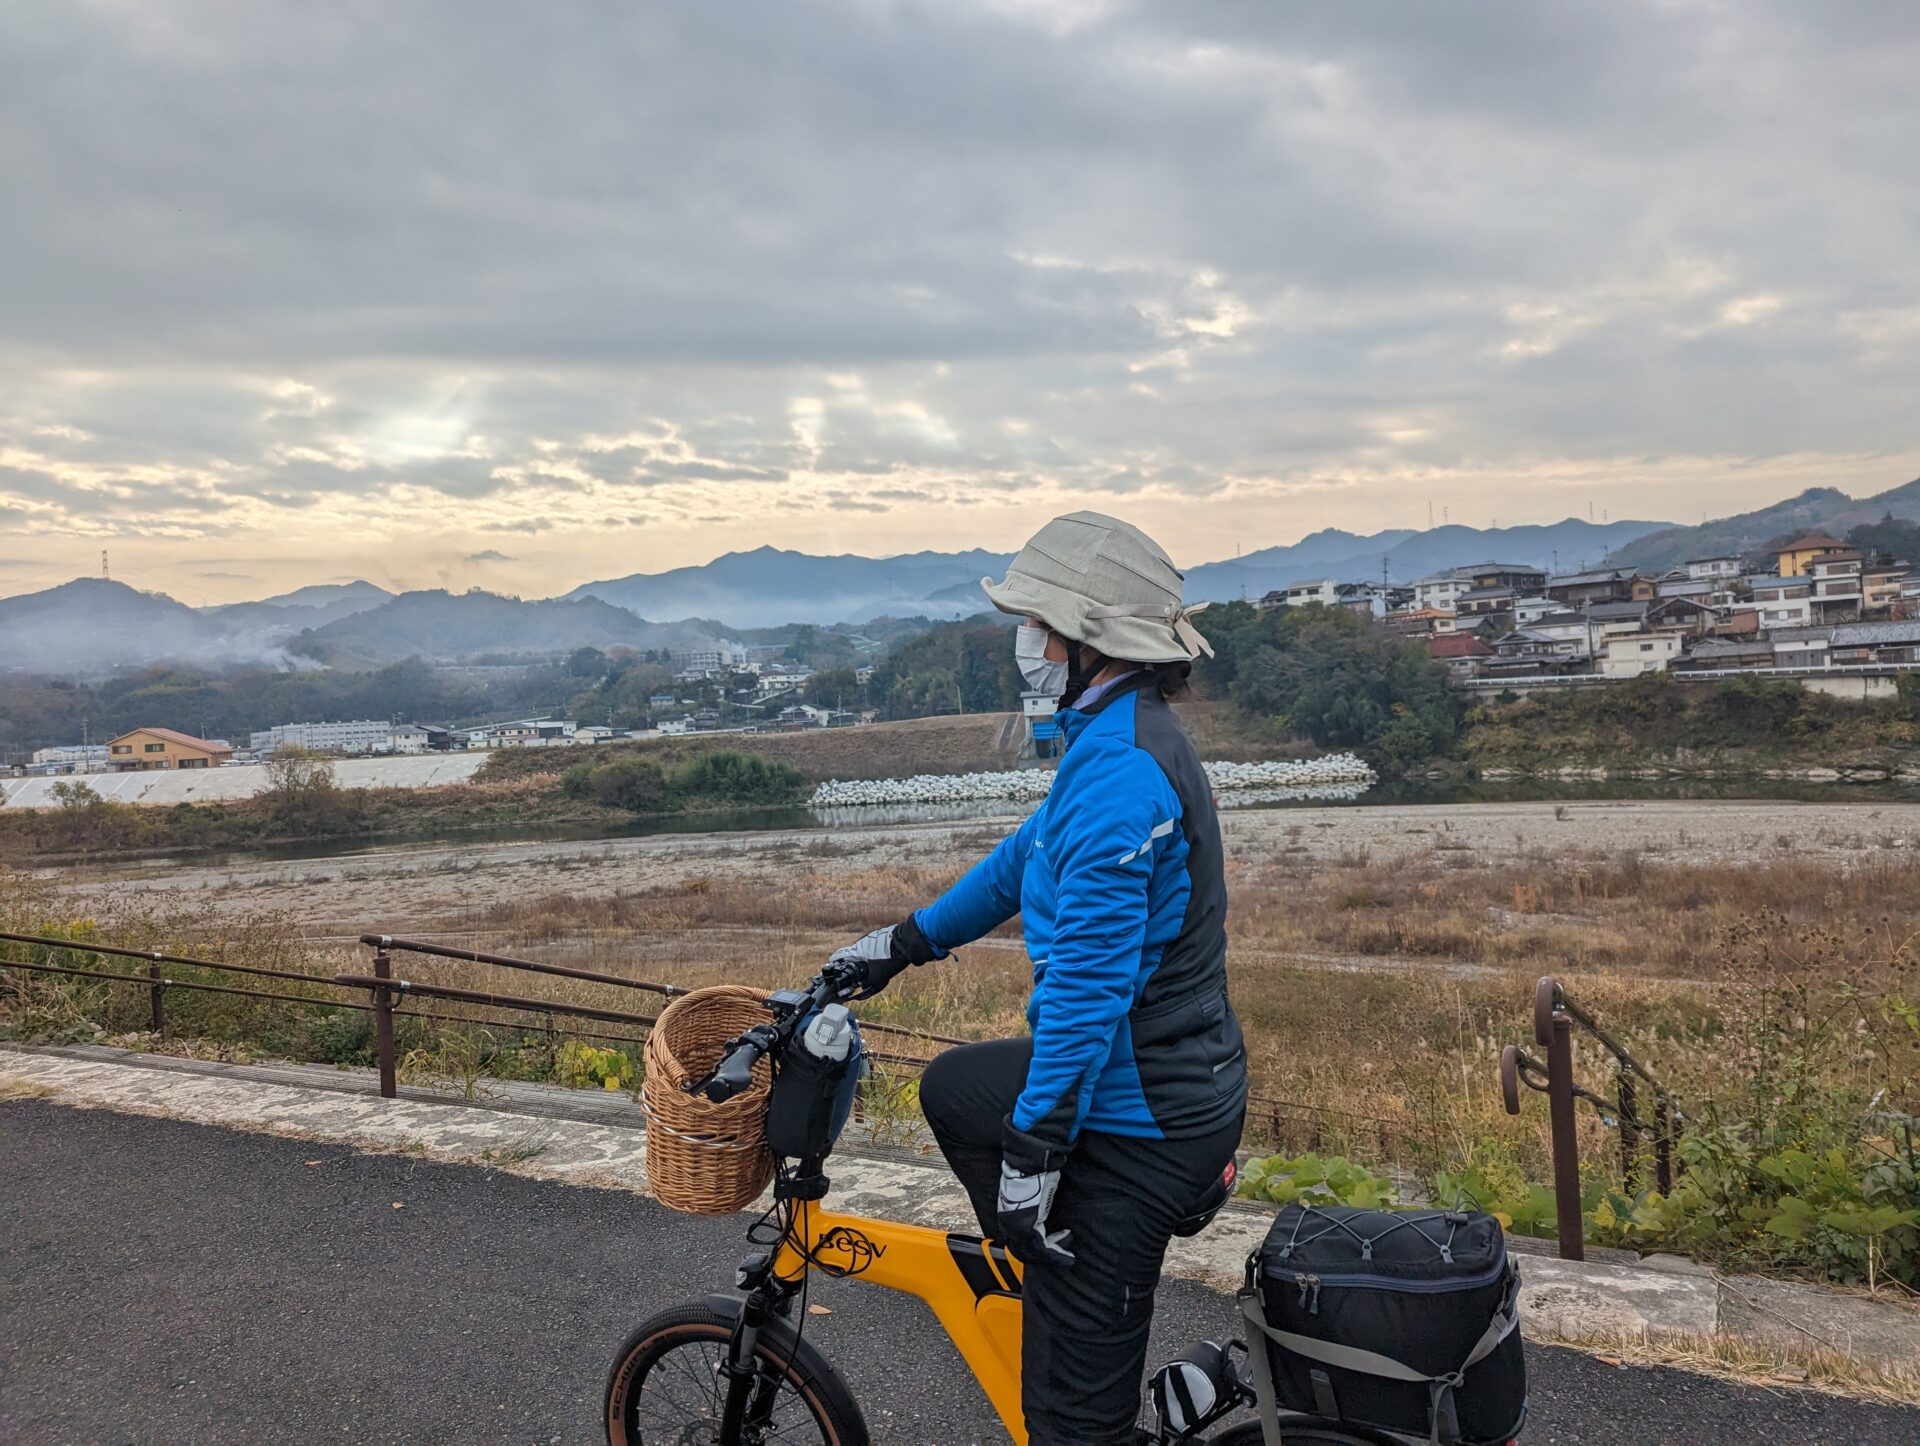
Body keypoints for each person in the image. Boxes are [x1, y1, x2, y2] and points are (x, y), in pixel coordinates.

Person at [830, 511, 1247, 1445]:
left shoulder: (1118, 775)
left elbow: (1088, 991)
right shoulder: (1111, 737)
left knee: (1066, 1430)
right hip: (1174, 1074)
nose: (1027, 644)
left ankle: (1072, 1269)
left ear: (1089, 643)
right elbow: (1026, 860)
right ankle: (1071, 1276)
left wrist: (1034, 1156)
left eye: (1039, 626)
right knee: (954, 1087)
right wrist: (902, 943)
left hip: (1148, 1114)